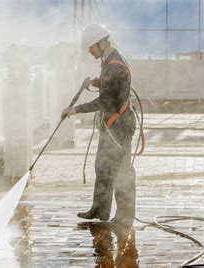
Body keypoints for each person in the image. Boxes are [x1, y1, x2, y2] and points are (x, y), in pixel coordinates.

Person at [61, 24, 136, 227]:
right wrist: (98, 82)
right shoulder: (111, 60)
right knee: (103, 167)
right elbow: (113, 88)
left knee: (121, 171)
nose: (89, 51)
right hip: (113, 125)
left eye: (91, 46)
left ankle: (124, 217)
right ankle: (100, 208)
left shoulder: (114, 64)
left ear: (102, 42)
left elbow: (104, 102)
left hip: (118, 126)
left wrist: (74, 110)